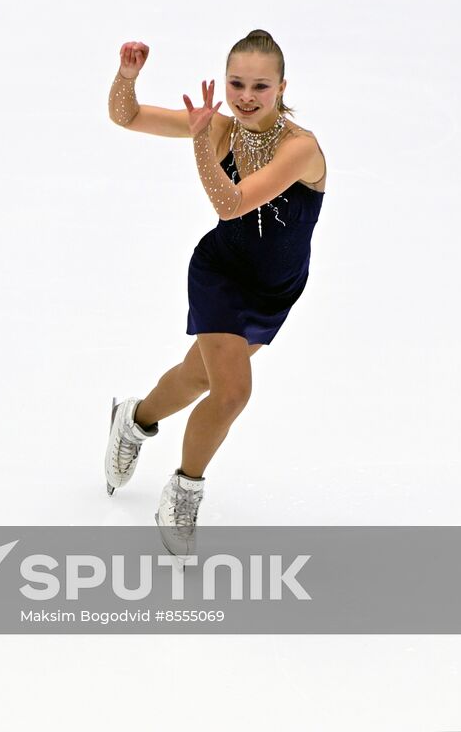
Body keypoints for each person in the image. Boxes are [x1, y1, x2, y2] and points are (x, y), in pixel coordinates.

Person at [101, 29, 327, 555]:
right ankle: (184, 493)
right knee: (232, 393)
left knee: (197, 376)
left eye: (260, 86)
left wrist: (202, 142)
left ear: (282, 87)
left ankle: (132, 421)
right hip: (221, 273)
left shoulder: (300, 149)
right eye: (236, 83)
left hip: (275, 290)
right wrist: (126, 78)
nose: (245, 96)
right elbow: (125, 116)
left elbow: (233, 201)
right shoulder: (221, 128)